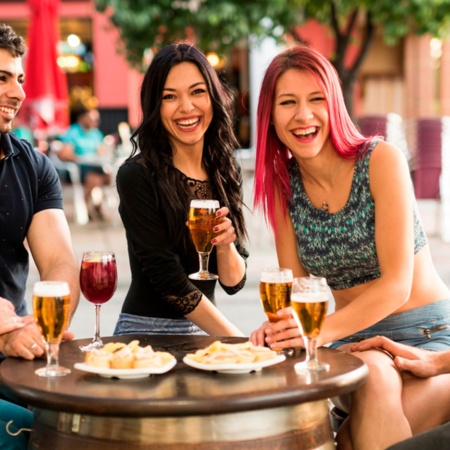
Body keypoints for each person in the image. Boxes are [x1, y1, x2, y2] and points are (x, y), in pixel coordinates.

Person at [249, 44, 450, 450]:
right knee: (372, 379)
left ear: (335, 104)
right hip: (353, 343)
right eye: (288, 103)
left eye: (316, 99)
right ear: (270, 117)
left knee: (352, 437)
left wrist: (315, 330)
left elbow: (397, 286)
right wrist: (283, 329)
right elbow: (299, 290)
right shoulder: (283, 186)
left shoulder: (380, 161)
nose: (303, 116)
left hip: (429, 337)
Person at [114, 42, 248, 337]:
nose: (186, 107)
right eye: (169, 97)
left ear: (213, 98)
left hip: (206, 330)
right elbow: (169, 281)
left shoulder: (225, 171)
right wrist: (239, 342)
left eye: (197, 92)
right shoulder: (136, 175)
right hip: (145, 332)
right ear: (155, 107)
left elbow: (233, 283)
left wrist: (225, 245)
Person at [0, 23, 79, 448]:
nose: (18, 92)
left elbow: (60, 262)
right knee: (30, 432)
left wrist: (51, 321)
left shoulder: (33, 165)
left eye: (20, 79)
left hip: (13, 350)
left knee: (82, 420)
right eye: (1, 78)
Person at [352, 336, 450, 449]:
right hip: (358, 343)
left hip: (433, 341)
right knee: (374, 374)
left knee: (349, 443)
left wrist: (438, 361)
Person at [59, 107, 111, 220]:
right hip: (79, 167)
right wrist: (81, 158)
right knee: (94, 179)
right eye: (92, 118)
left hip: (96, 165)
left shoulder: (96, 133)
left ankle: (97, 204)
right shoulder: (72, 132)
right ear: (82, 118)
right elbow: (65, 154)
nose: (95, 122)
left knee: (110, 178)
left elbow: (102, 151)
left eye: (97, 119)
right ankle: (87, 206)